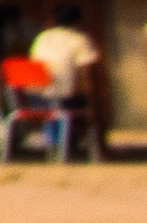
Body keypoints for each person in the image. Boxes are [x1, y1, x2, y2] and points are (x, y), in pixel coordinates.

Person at [27, 11, 104, 161]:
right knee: (94, 105)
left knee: (62, 104)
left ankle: (61, 142)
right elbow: (86, 73)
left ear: (53, 21)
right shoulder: (79, 38)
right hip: (63, 99)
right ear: (77, 23)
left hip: (36, 99)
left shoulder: (42, 38)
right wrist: (91, 95)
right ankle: (98, 150)